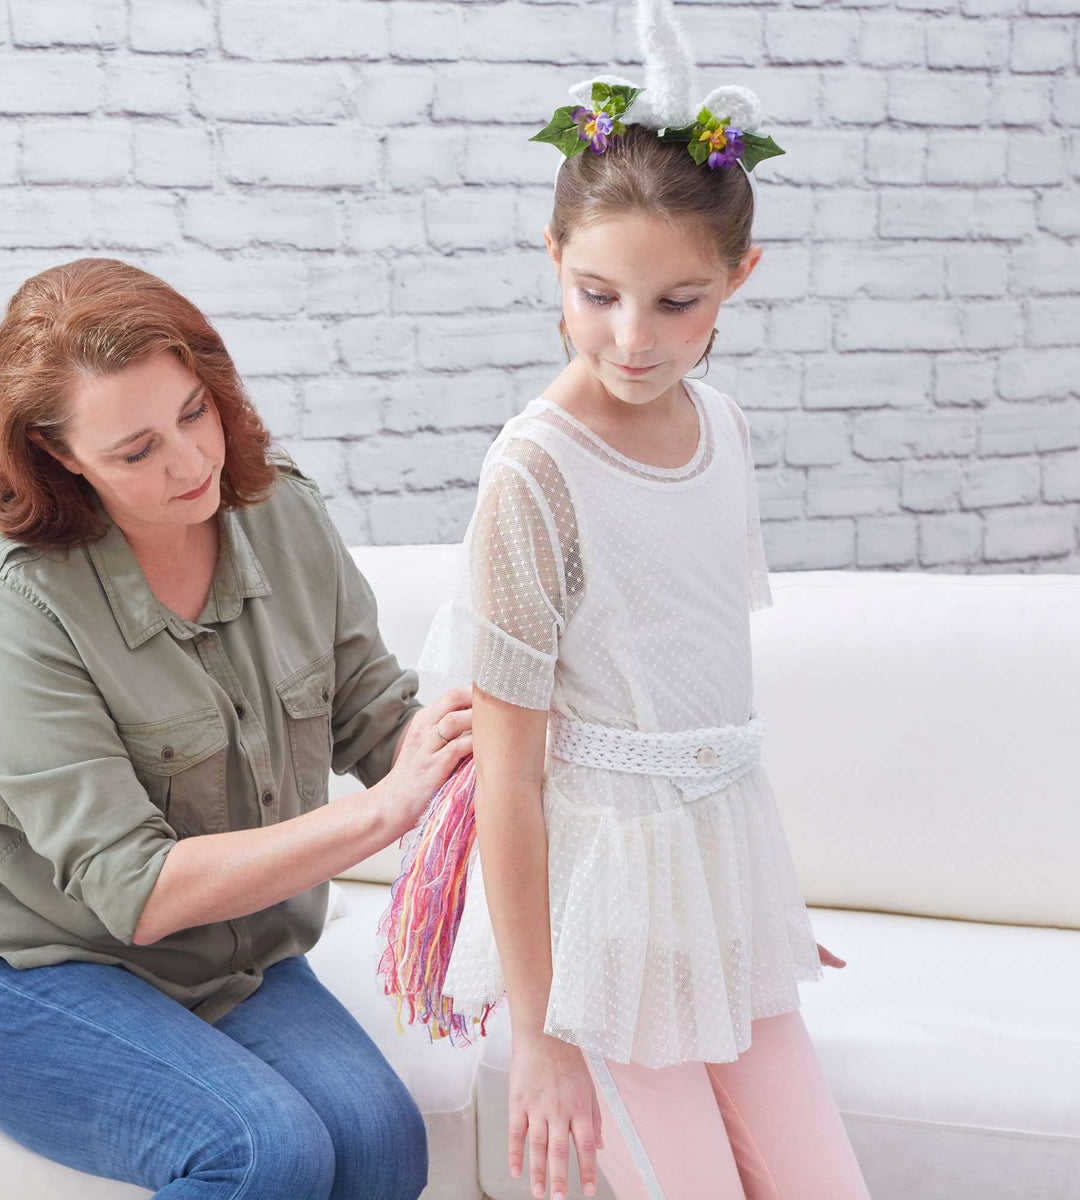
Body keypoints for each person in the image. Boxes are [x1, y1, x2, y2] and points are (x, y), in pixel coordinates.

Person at [416, 5, 874, 1199]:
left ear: (738, 280)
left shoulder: (720, 426)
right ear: (552, 258)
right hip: (602, 925)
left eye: (679, 302)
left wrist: (751, 900)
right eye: (597, 292)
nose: (633, 338)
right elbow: (512, 773)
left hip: (715, 898)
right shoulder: (535, 475)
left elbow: (706, 695)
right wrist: (548, 1035)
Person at [0, 257, 473, 1200]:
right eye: (135, 450)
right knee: (265, 1150)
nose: (191, 462)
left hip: (226, 957)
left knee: (381, 1147)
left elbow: (373, 716)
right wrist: (383, 818)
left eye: (195, 412)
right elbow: (136, 888)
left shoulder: (283, 511)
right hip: (26, 967)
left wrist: (492, 745)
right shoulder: (21, 608)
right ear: (58, 454)